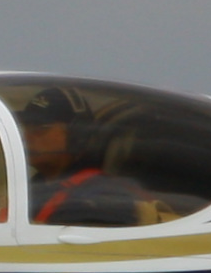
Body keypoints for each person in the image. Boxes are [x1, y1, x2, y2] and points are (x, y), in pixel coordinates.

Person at [20, 86, 150, 227]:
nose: (26, 137)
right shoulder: (36, 186)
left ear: (77, 135)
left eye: (40, 129)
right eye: (25, 128)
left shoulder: (101, 199)